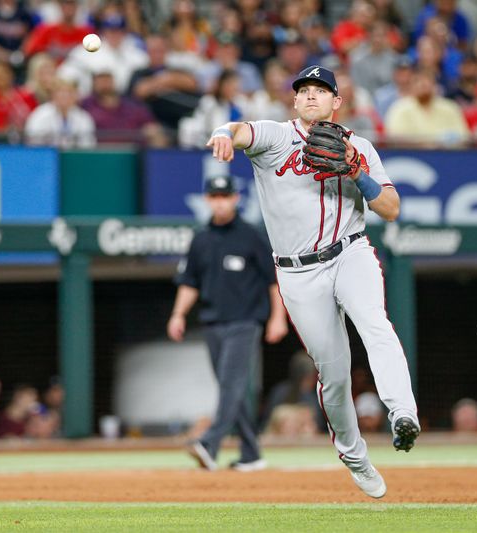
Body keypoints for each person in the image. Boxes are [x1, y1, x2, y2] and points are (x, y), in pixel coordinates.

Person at [205, 65, 420, 499]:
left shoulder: (359, 147)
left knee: (375, 323)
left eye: (320, 90)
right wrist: (224, 132)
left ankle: (402, 413)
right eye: (303, 90)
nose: (309, 96)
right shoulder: (277, 137)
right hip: (298, 271)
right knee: (334, 372)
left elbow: (392, 208)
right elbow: (241, 129)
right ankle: (354, 454)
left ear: (337, 102)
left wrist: (356, 171)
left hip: (350, 250)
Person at [167, 175, 289, 473]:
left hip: (245, 322)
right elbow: (189, 282)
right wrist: (178, 314)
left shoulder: (251, 235)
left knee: (232, 384)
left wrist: (278, 317)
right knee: (230, 388)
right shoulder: (201, 238)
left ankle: (209, 443)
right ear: (208, 200)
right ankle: (251, 453)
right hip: (212, 322)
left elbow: (274, 280)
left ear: (235, 198)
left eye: (225, 196)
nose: (220, 201)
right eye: (215, 196)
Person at [24, 77, 96, 147]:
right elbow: (33, 145)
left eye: (70, 92)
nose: (65, 96)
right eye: (60, 92)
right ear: (52, 94)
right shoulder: (40, 116)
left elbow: (87, 146)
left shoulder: (83, 118)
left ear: (76, 95)